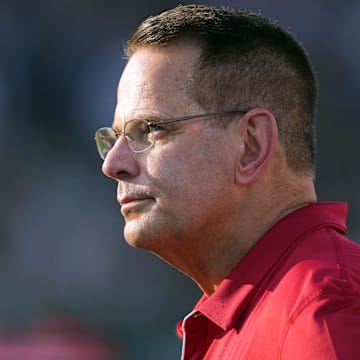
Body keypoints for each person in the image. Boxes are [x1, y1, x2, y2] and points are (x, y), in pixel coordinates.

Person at [94, 4, 360, 359]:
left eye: (151, 129)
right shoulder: (265, 310)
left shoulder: (323, 310)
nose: (114, 164)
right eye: (115, 137)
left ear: (251, 145)